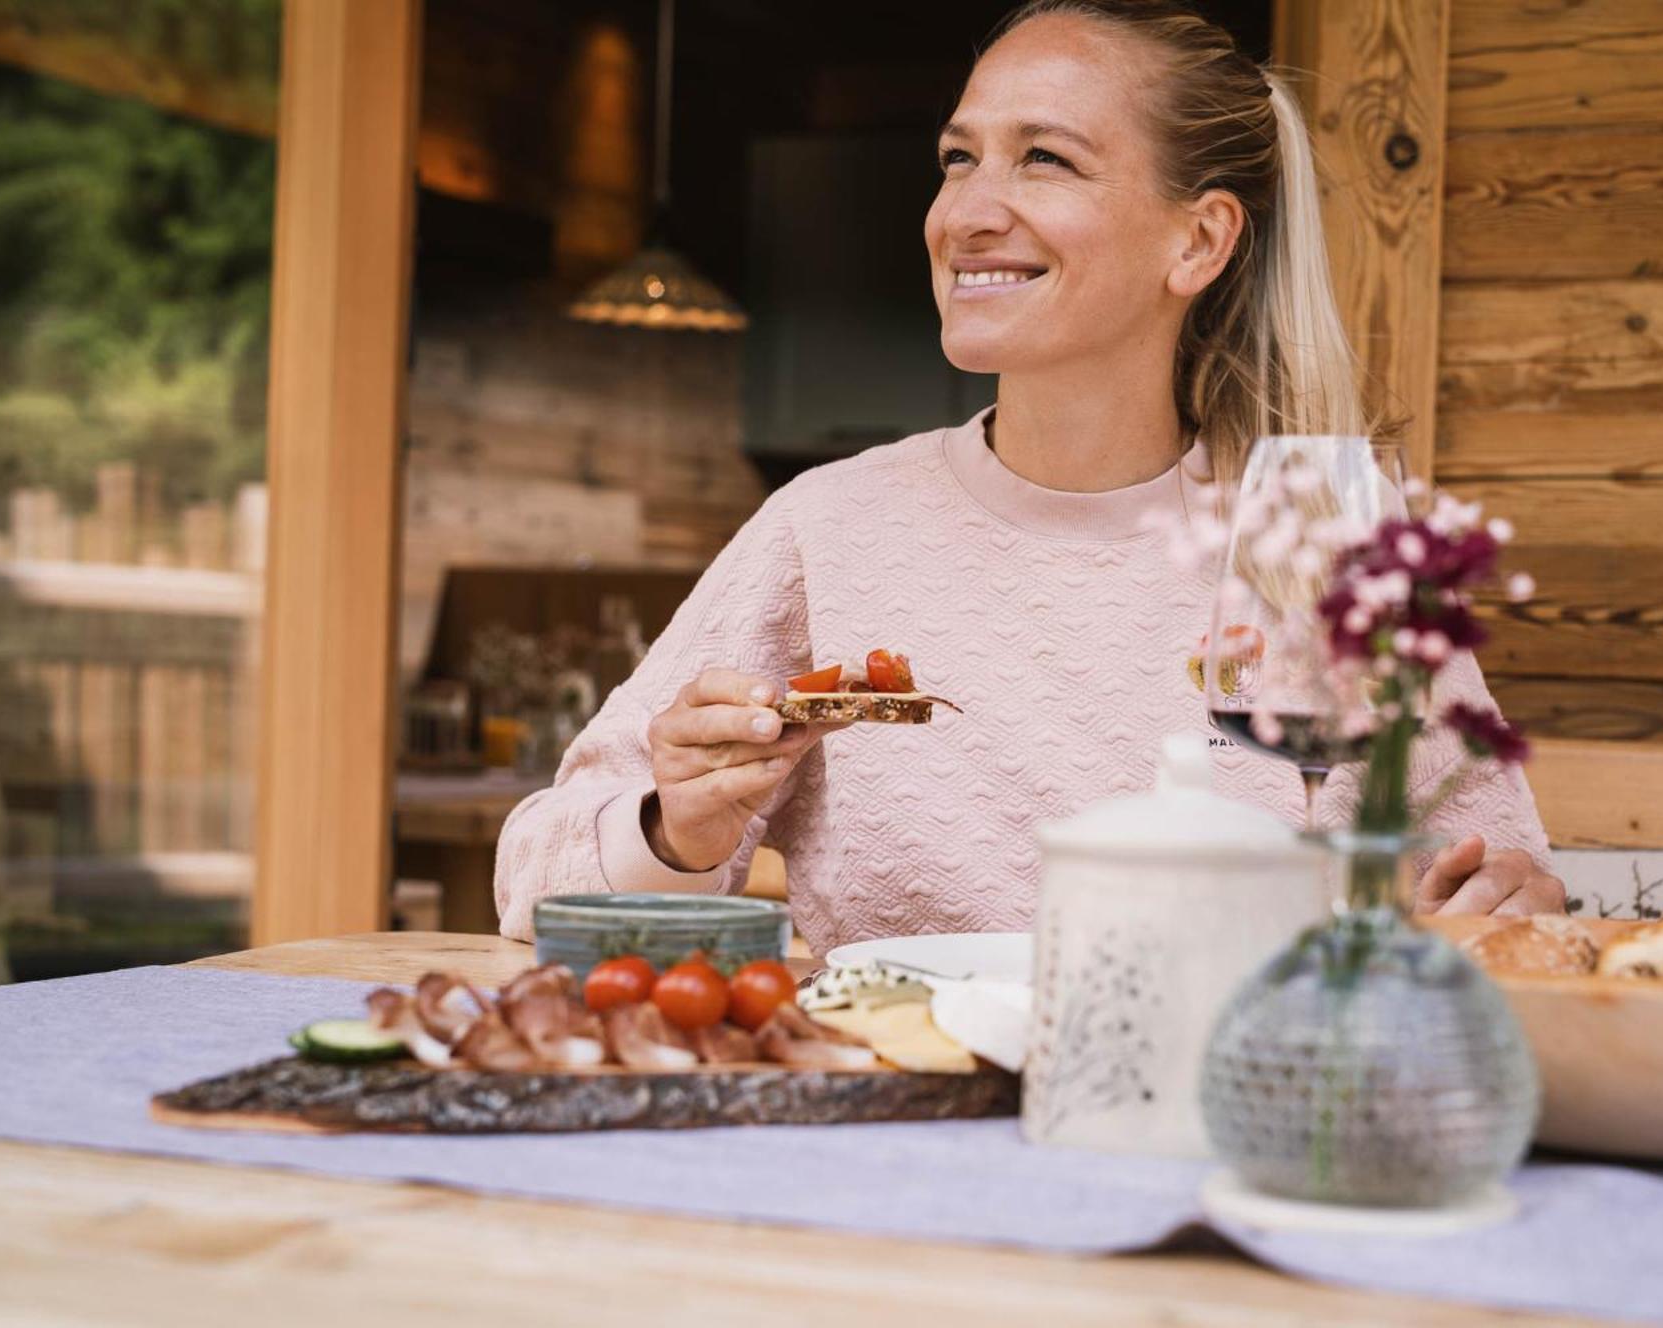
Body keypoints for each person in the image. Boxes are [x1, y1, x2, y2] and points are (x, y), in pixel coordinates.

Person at [495, 0, 1564, 950]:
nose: (962, 213)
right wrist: (675, 829)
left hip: (1233, 1120)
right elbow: (533, 880)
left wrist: (1503, 898)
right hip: (897, 1134)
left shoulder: (1320, 540)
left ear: (1197, 241)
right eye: (958, 158)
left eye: (1042, 158)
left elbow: (1494, 882)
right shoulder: (828, 526)